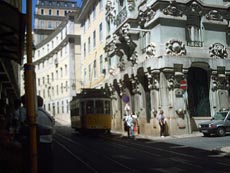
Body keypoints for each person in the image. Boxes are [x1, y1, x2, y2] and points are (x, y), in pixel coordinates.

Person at [36, 95, 55, 173]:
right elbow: (53, 129)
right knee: (48, 164)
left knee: (41, 165)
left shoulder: (35, 115)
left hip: (40, 144)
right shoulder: (48, 114)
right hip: (49, 142)